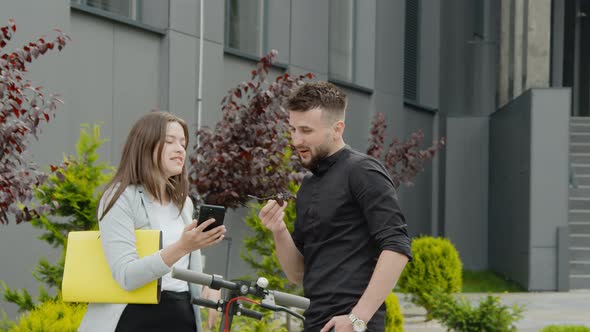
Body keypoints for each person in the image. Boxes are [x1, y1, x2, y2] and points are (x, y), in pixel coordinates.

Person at [258, 82, 412, 332]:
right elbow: (298, 274)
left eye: (306, 130)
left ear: (337, 129)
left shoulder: (363, 171)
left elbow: (397, 247)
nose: (296, 140)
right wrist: (278, 229)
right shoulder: (308, 185)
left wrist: (357, 318)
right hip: (316, 323)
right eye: (293, 129)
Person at [79, 111, 226, 332]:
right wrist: (183, 246)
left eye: (183, 143)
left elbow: (181, 270)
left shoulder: (183, 203)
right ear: (145, 146)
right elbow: (126, 276)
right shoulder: (120, 198)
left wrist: (209, 285)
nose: (180, 149)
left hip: (182, 314)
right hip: (135, 316)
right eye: (169, 141)